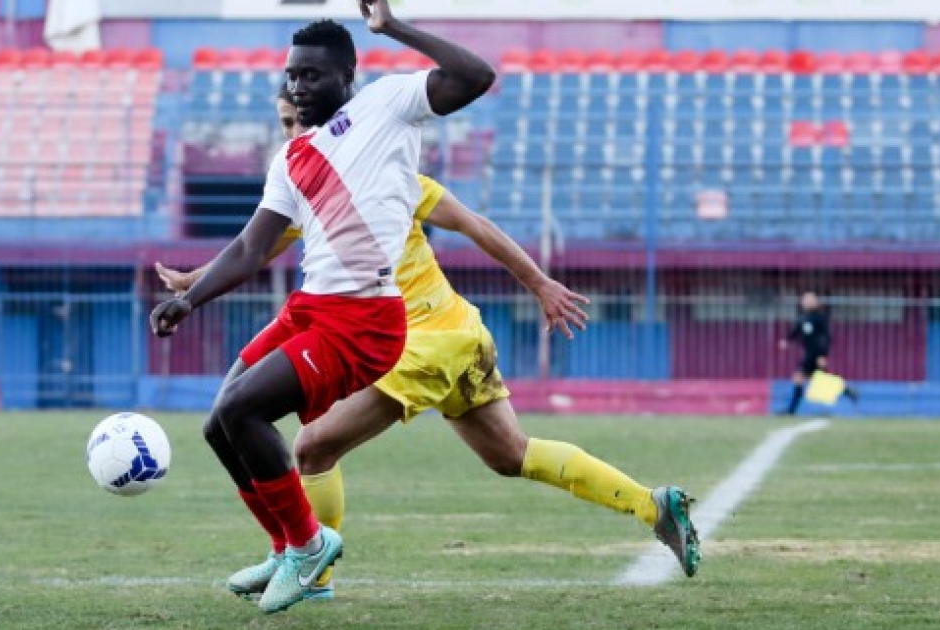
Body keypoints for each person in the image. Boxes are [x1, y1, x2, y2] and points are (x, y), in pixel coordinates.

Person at [157, 92, 701, 604]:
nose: (294, 130)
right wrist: (193, 281)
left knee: (314, 447)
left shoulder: (389, 180)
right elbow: (256, 246)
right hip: (457, 334)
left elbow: (472, 224)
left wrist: (539, 282)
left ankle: (311, 572)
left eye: (300, 119)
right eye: (284, 122)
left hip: (421, 341)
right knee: (511, 455)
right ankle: (652, 504)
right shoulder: (308, 192)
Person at [149, 2, 495, 614]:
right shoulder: (291, 158)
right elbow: (250, 247)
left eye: (311, 75)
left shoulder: (387, 104)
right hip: (312, 308)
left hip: (365, 321)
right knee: (219, 425)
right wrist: (190, 299)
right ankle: (287, 548)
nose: (298, 86)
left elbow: (476, 76)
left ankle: (310, 546)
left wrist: (394, 28)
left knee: (244, 410)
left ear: (346, 76)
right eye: (292, 75)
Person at [779, 291, 858, 415]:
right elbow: (796, 331)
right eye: (804, 299)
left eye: (809, 300)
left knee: (801, 378)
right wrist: (787, 341)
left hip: (816, 354)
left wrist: (823, 355)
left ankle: (791, 410)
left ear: (815, 302)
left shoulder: (819, 318)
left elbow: (826, 337)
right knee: (816, 379)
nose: (806, 302)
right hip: (809, 353)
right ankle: (847, 391)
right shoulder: (803, 317)